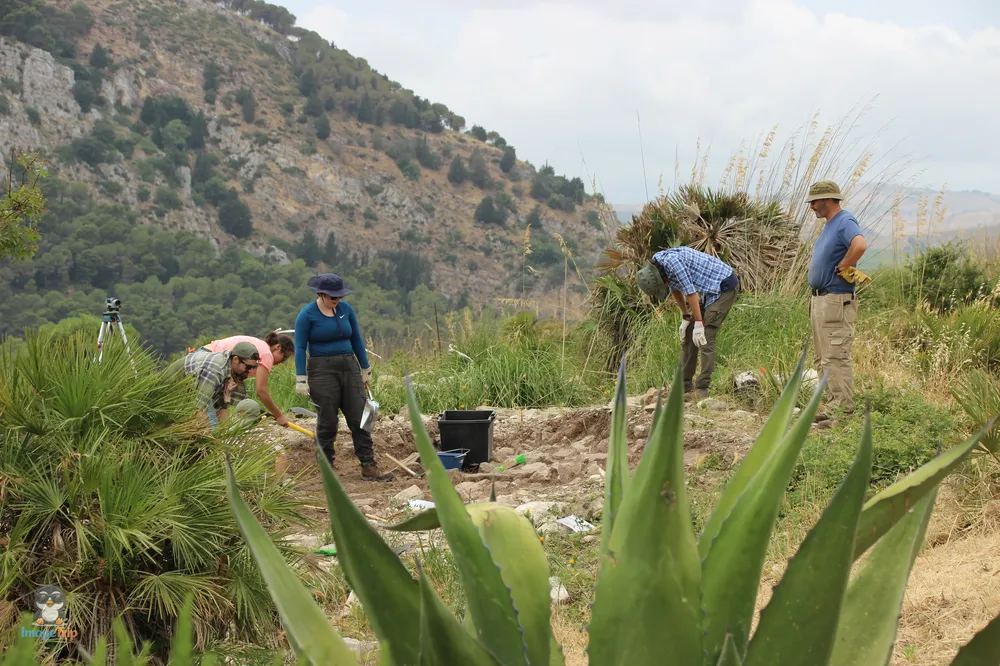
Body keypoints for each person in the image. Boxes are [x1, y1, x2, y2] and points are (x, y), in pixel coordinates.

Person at [294, 273, 394, 482]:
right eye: (332, 297)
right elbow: (301, 347)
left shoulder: (346, 311)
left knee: (360, 417)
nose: (336, 300)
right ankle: (326, 466)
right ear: (321, 294)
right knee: (328, 419)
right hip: (321, 370)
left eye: (339, 296)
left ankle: (368, 465)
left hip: (349, 366)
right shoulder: (307, 315)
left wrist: (365, 368)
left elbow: (356, 338)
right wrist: (301, 377)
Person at [636, 246, 740, 400]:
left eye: (662, 284)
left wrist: (699, 323)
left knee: (706, 335)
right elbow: (675, 289)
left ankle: (703, 388)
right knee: (690, 333)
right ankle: (683, 385)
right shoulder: (659, 261)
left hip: (724, 286)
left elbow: (691, 293)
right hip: (709, 290)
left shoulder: (673, 263)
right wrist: (686, 317)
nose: (664, 285)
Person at [805, 180, 867, 422]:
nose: (811, 207)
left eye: (814, 201)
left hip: (836, 300)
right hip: (821, 300)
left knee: (836, 355)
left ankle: (843, 413)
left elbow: (860, 244)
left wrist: (844, 265)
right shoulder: (830, 225)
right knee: (822, 357)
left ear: (828, 199)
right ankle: (833, 408)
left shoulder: (845, 221)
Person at [204, 332, 295, 427]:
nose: (282, 362)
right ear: (278, 347)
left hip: (208, 355)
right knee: (209, 418)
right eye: (284, 357)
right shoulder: (267, 354)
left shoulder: (261, 347)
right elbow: (261, 391)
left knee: (220, 407)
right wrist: (279, 416)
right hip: (210, 361)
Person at [175, 341, 260, 428]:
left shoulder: (229, 371)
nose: (250, 371)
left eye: (254, 367)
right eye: (248, 367)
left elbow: (221, 409)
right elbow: (200, 411)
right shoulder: (215, 371)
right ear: (235, 359)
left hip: (187, 390)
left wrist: (229, 436)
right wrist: (211, 439)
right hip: (173, 385)